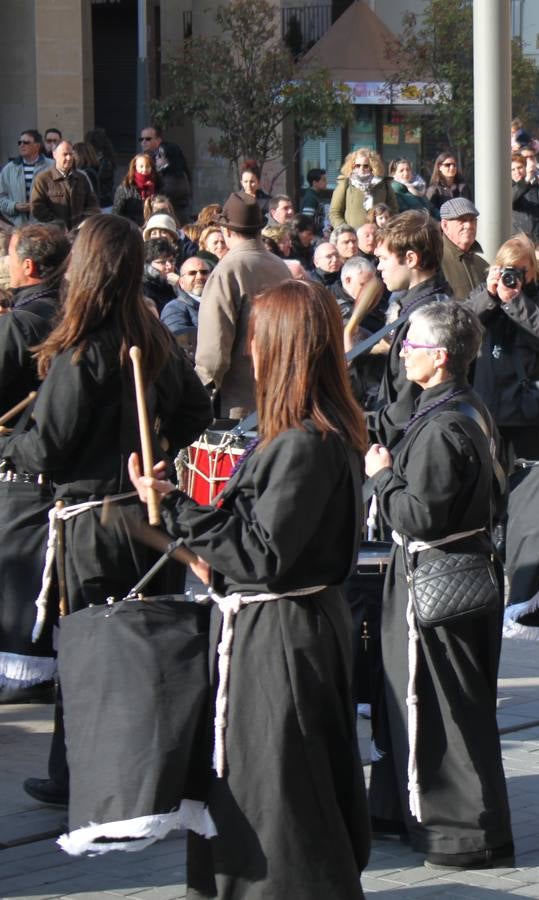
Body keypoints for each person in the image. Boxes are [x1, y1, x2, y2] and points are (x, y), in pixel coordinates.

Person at [130, 278, 370, 898]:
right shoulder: (297, 436)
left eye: (257, 339)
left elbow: (263, 553)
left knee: (279, 786)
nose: (248, 351)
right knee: (265, 778)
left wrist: (181, 510)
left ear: (283, 347)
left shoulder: (305, 444)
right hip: (280, 625)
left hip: (282, 638)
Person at [2, 215, 211, 806]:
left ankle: (80, 774)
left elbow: (46, 446)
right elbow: (196, 411)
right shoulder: (155, 339)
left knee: (91, 647)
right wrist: (160, 449)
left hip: (94, 521)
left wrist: (12, 443)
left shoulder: (86, 349)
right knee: (143, 644)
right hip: (144, 518)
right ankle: (147, 768)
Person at [362, 299, 515, 870]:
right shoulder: (464, 409)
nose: (403, 354)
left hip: (438, 577)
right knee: (454, 704)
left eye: (413, 347)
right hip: (459, 570)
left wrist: (380, 478)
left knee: (441, 706)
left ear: (442, 357)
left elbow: (418, 515)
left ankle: (460, 834)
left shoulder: (445, 424)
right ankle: (459, 826)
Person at [0, 225, 70, 692]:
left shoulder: (21, 323)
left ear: (27, 266)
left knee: (20, 569)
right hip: (62, 467)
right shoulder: (74, 315)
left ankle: (20, 673)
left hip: (22, 465)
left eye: (7, 256)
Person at [465, 235, 539, 461]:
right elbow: (462, 325)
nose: (514, 277)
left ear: (533, 269)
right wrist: (489, 296)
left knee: (528, 479)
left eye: (521, 270)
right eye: (509, 270)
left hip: (527, 406)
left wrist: (516, 302)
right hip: (487, 402)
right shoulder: (485, 292)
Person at [195, 192, 293, 418]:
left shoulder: (227, 271)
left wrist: (202, 392)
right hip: (280, 397)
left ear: (227, 231)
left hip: (239, 404)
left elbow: (214, 352)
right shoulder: (281, 267)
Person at [368, 211, 455, 433]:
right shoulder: (435, 303)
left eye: (383, 259)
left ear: (411, 259)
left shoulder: (423, 321)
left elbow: (406, 410)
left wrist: (355, 423)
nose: (379, 267)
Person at [29, 141, 98, 229]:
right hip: (54, 234)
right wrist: (57, 224)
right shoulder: (43, 179)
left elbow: (93, 205)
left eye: (71, 154)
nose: (69, 158)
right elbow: (37, 208)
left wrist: (84, 223)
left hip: (78, 233)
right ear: (54, 155)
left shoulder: (82, 178)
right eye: (65, 154)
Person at [330, 149, 396, 230]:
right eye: (357, 165)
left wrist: (387, 228)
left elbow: (394, 210)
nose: (361, 169)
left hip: (378, 234)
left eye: (366, 166)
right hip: (353, 236)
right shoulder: (346, 183)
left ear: (372, 167)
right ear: (352, 166)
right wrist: (345, 230)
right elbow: (334, 213)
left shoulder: (383, 184)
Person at [437, 197, 489, 300]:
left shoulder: (483, 265)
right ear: (445, 225)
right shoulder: (435, 262)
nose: (469, 225)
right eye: (462, 220)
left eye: (472, 220)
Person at [162, 253, 212, 358]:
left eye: (204, 272)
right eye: (192, 273)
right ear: (181, 282)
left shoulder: (221, 304)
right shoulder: (173, 309)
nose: (199, 277)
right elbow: (180, 348)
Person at [0, 130, 55, 226]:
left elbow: (60, 196)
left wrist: (39, 206)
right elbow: (1, 198)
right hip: (17, 227)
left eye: (26, 142)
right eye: (19, 142)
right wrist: (14, 206)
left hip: (44, 226)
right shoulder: (9, 168)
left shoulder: (52, 166)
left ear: (37, 146)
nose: (21, 145)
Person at [112, 153, 160, 226]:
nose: (144, 169)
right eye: (141, 166)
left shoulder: (158, 185)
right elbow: (116, 213)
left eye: (147, 166)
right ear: (135, 167)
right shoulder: (125, 187)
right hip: (131, 229)